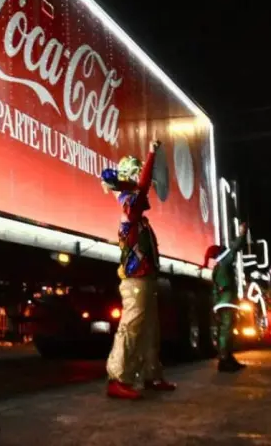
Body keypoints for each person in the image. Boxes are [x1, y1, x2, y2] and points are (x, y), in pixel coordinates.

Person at [101, 140, 176, 400]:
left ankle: (151, 375)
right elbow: (142, 185)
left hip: (145, 279)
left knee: (150, 329)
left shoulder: (138, 217)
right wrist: (152, 154)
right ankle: (118, 378)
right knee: (131, 327)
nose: (149, 192)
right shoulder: (130, 208)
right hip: (135, 281)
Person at [203, 221, 248, 372]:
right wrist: (241, 234)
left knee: (225, 330)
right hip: (228, 302)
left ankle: (228, 358)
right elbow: (235, 248)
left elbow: (215, 289)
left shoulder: (216, 268)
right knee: (227, 331)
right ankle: (224, 359)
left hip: (221, 303)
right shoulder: (225, 262)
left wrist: (215, 307)